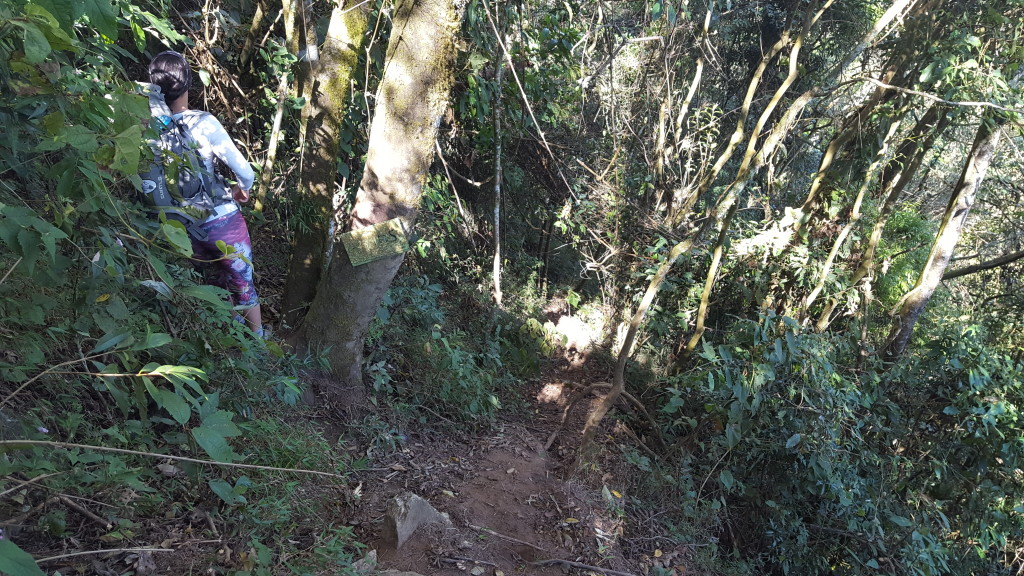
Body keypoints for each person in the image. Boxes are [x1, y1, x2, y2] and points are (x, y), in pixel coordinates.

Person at [148, 50, 264, 338]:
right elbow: (246, 172)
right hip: (222, 221)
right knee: (242, 283)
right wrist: (242, 190)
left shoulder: (146, 129)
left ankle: (228, 340)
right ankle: (260, 347)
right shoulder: (204, 122)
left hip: (181, 226)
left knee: (211, 285)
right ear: (188, 83)